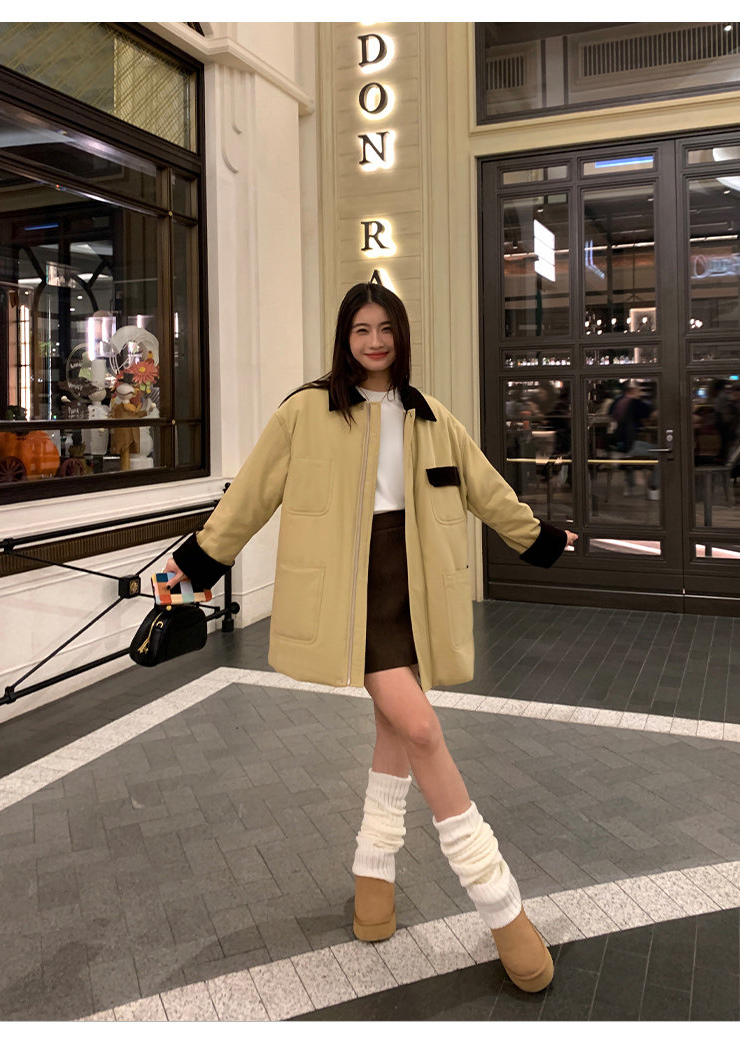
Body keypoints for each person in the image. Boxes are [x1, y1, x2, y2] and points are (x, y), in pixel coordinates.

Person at [163, 283, 577, 994]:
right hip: (351, 595)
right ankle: (501, 905)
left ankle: (373, 882)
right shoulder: (304, 411)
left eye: (385, 328)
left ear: (401, 335)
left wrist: (538, 537)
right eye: (361, 329)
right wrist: (198, 560)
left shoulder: (430, 415)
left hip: (415, 589)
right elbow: (251, 494)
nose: (375, 341)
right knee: (421, 731)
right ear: (344, 337)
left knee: (394, 733)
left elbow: (485, 489)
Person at [607, 380, 660, 498]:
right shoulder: (635, 403)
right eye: (639, 390)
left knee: (651, 448)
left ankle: (630, 485)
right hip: (630, 445)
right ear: (634, 390)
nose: (640, 392)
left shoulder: (617, 401)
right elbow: (654, 414)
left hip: (616, 445)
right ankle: (654, 488)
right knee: (661, 453)